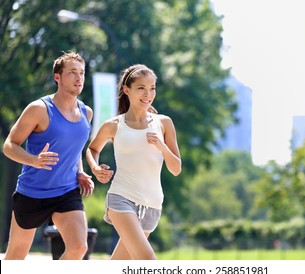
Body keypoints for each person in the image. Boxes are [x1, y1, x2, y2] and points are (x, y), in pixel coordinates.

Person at [2, 51, 94, 260]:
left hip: (66, 191)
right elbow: (9, 145)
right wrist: (33, 160)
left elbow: (74, 149)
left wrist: (79, 172)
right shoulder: (39, 109)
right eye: (72, 72)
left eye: (81, 73)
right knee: (15, 256)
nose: (79, 78)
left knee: (79, 247)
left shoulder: (86, 112)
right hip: (33, 192)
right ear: (57, 77)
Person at [86, 64, 181, 260]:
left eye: (152, 88)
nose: (148, 94)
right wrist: (95, 168)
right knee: (148, 261)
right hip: (122, 197)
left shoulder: (164, 123)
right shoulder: (114, 125)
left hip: (153, 204)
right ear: (127, 90)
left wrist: (161, 146)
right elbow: (92, 148)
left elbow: (176, 169)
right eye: (141, 88)